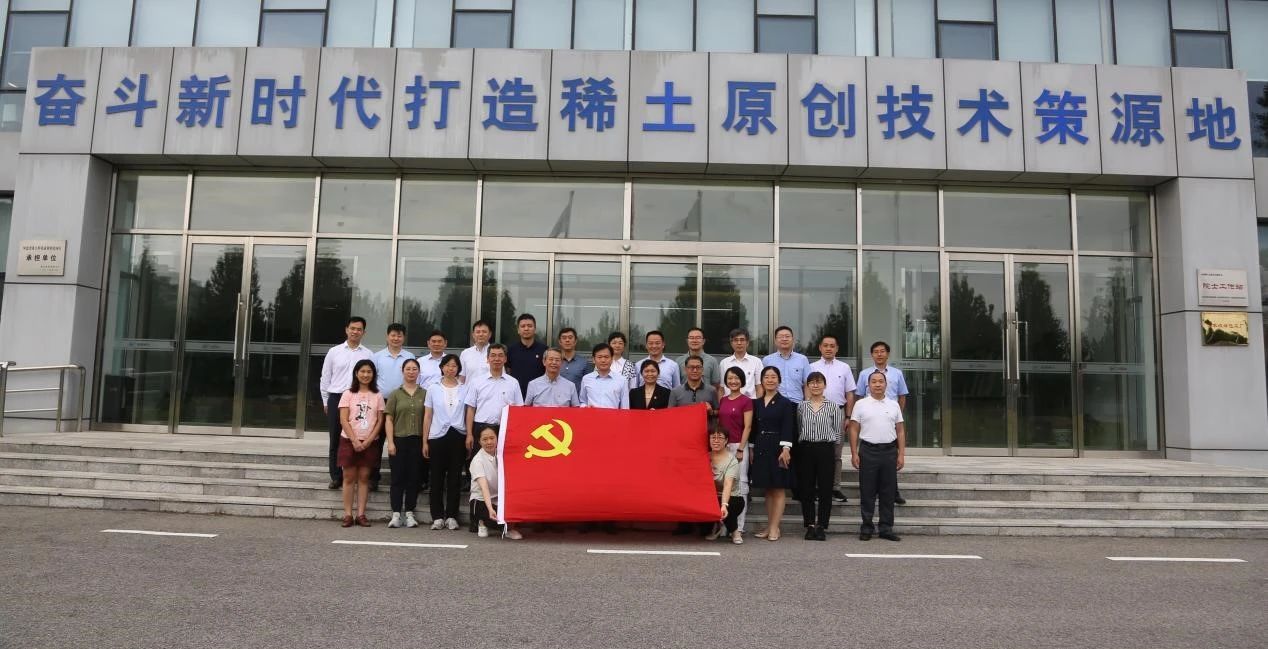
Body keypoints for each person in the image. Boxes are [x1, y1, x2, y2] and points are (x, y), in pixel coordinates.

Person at [849, 370, 905, 542]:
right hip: (868, 451)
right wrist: (854, 452)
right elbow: (853, 429)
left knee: (888, 492)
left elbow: (900, 431)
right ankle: (867, 527)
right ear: (868, 385)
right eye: (874, 381)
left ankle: (886, 528)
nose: (878, 384)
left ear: (886, 384)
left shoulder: (894, 405)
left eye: (881, 381)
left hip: (889, 451)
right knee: (867, 491)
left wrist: (901, 454)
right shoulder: (861, 404)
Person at [319, 317, 373, 490]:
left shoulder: (368, 354)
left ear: (364, 332)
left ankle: (358, 475)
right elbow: (325, 377)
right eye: (352, 328)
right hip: (336, 397)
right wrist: (326, 400)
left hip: (359, 398)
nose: (355, 332)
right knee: (335, 438)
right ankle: (336, 476)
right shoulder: (334, 352)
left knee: (358, 435)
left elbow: (371, 378)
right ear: (346, 330)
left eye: (359, 329)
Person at [855, 341, 911, 505]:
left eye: (882, 351)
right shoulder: (864, 374)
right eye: (876, 351)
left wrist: (897, 415)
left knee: (891, 457)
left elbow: (902, 395)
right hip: (870, 418)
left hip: (890, 417)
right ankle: (870, 492)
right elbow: (859, 396)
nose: (879, 354)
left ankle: (893, 492)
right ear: (872, 355)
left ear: (888, 354)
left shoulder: (897, 373)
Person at [796, 371, 844, 541]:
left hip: (826, 449)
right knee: (807, 488)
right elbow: (799, 427)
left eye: (819, 382)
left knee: (825, 489)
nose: (815, 385)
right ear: (807, 386)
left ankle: (822, 525)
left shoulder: (833, 406)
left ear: (825, 385)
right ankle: (810, 525)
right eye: (812, 382)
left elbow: (837, 432)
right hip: (806, 448)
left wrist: (833, 451)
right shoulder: (801, 406)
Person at [749, 366, 796, 541]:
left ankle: (776, 527)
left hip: (778, 448)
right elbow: (754, 428)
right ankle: (769, 526)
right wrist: (752, 448)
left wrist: (786, 449)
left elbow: (788, 427)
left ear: (779, 380)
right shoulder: (756, 403)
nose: (770, 380)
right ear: (761, 380)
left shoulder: (785, 403)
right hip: (761, 446)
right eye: (766, 377)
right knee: (767, 488)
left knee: (778, 487)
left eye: (773, 377)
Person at [808, 334, 856, 504]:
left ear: (837, 349)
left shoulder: (844, 368)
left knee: (836, 453)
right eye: (825, 345)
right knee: (815, 451)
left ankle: (835, 487)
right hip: (815, 412)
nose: (828, 348)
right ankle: (815, 487)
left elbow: (850, 393)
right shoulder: (811, 367)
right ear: (820, 348)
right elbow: (806, 390)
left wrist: (848, 416)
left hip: (838, 413)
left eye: (832, 346)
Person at [337, 359, 385, 528]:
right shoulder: (348, 393)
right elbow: (343, 419)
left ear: (373, 374)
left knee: (364, 478)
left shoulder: (378, 395)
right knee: (349, 477)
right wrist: (354, 440)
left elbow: (380, 421)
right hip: (349, 440)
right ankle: (348, 514)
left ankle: (361, 514)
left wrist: (369, 440)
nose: (366, 375)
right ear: (356, 373)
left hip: (370, 441)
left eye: (369, 372)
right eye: (362, 371)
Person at [422, 354, 468, 531]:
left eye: (454, 366)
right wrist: (425, 441)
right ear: (442, 367)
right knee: (436, 478)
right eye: (447, 365)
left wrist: (469, 435)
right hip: (437, 436)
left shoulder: (465, 388)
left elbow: (468, 413)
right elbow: (428, 415)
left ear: (458, 369)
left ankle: (451, 516)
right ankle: (437, 516)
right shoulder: (433, 388)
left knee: (455, 478)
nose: (450, 368)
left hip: (458, 435)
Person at [385, 358, 425, 529]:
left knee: (413, 478)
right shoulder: (395, 394)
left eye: (414, 369)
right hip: (399, 440)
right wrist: (390, 442)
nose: (411, 372)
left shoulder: (425, 393)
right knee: (397, 477)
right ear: (402, 371)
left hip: (418, 440)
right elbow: (388, 419)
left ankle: (409, 512)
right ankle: (396, 513)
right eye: (408, 369)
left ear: (419, 372)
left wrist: (425, 443)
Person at [469, 426, 523, 540]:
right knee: (499, 520)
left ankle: (503, 525)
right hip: (481, 500)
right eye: (485, 439)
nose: (489, 442)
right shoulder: (477, 461)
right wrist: (490, 509)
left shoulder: (502, 454)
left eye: (492, 438)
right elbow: (484, 488)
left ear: (497, 438)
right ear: (479, 441)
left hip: (499, 499)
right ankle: (481, 522)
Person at [718, 366, 753, 537]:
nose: (733, 381)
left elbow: (748, 426)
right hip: (723, 446)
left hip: (739, 445)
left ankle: (739, 525)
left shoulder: (746, 401)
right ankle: (726, 525)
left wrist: (740, 449)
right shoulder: (723, 400)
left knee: (740, 484)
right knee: (725, 484)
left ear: (742, 381)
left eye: (736, 378)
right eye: (730, 378)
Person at [464, 344, 523, 440]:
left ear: (505, 359)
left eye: (500, 355)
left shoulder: (513, 382)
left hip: (506, 429)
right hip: (481, 427)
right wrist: (469, 434)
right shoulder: (476, 382)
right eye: (493, 355)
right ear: (487, 359)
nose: (497, 359)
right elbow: (470, 409)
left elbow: (519, 409)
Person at [704, 426, 745, 545]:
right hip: (712, 496)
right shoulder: (705, 457)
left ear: (726, 440)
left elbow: (727, 485)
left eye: (720, 437)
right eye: (713, 437)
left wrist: (724, 505)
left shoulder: (732, 461)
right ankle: (716, 526)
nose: (716, 440)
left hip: (732, 497)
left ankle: (735, 532)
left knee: (727, 507)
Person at [762, 326, 812, 402]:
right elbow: (762, 384)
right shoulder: (767, 360)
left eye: (787, 336)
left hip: (797, 403)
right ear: (775, 341)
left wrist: (807, 404)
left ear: (793, 340)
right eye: (781, 337)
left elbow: (807, 384)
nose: (784, 339)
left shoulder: (802, 359)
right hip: (775, 403)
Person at [506, 313, 547, 397]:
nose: (526, 329)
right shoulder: (511, 350)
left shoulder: (544, 350)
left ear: (535, 329)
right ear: (518, 330)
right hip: (516, 395)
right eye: (523, 326)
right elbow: (507, 372)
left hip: (539, 395)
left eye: (529, 326)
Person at [579, 343, 629, 409]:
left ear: (612, 359)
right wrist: (585, 406)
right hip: (591, 415)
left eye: (606, 357)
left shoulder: (622, 380)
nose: (603, 360)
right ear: (593, 359)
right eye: (599, 357)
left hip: (613, 415)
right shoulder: (586, 379)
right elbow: (582, 401)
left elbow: (625, 407)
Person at [719, 327, 764, 399]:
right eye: (736, 340)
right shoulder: (724, 363)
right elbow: (721, 389)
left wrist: (758, 404)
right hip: (729, 403)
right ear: (731, 343)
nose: (739, 343)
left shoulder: (756, 362)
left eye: (742, 340)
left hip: (750, 402)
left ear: (747, 343)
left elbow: (759, 387)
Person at [676, 327, 720, 392]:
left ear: (703, 341)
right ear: (687, 341)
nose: (694, 340)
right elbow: (676, 384)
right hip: (684, 397)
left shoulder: (712, 361)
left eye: (698, 338)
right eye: (691, 338)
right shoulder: (678, 361)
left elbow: (716, 384)